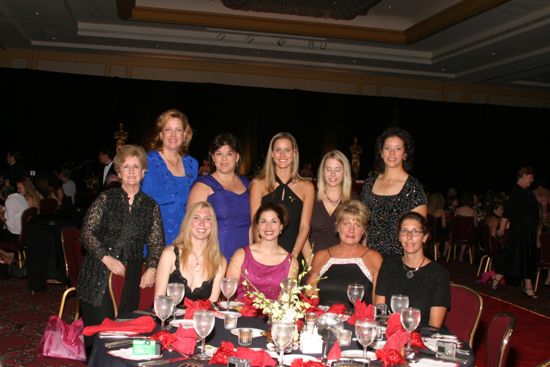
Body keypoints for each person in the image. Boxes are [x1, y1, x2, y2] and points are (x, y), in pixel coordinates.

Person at [77, 145, 165, 348]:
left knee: (126, 334)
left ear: (144, 172)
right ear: (119, 172)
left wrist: (152, 268)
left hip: (131, 274)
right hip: (98, 271)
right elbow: (86, 234)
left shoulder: (151, 206)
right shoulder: (106, 199)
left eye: (136, 167)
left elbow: (156, 242)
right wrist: (107, 259)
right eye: (126, 167)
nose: (132, 171)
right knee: (101, 336)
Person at [375, 212, 450, 329]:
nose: (409, 237)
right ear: (399, 236)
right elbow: (380, 314)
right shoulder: (388, 265)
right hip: (390, 333)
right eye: (404, 231)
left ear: (425, 237)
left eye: (415, 232)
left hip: (422, 337)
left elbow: (434, 327)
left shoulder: (439, 274)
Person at [360, 127, 427, 257]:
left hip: (400, 259)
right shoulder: (369, 183)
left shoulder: (413, 187)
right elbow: (362, 222)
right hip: (370, 256)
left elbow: (418, 233)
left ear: (405, 154)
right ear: (381, 152)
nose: (392, 153)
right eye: (387, 148)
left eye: (398, 148)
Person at [250, 132, 314, 259]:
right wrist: (263, 256)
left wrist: (293, 258)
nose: (282, 155)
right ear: (272, 154)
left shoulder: (307, 187)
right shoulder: (259, 184)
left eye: (287, 150)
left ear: (294, 153)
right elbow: (255, 223)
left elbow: (304, 227)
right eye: (278, 150)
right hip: (265, 255)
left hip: (294, 254)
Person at [187, 133, 250, 260]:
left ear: (237, 157)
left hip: (244, 258)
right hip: (213, 257)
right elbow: (190, 226)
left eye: (229, 154)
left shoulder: (247, 184)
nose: (224, 158)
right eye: (219, 153)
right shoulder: (203, 185)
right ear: (213, 158)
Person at [306, 200, 382, 306]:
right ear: (338, 227)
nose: (351, 230)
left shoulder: (374, 258)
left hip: (358, 321)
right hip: (323, 320)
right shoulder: (321, 256)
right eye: (346, 224)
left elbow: (379, 305)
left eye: (357, 225)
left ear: (363, 230)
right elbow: (309, 300)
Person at [142, 108, 198, 245]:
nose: (173, 135)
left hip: (186, 240)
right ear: (161, 134)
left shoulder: (193, 164)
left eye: (178, 130)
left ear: (185, 134)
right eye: (168, 130)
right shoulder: (147, 161)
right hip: (154, 241)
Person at [155, 201, 226, 302]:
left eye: (207, 219)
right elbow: (159, 300)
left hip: (200, 317)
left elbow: (211, 305)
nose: (202, 223)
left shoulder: (219, 261)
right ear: (188, 222)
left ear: (213, 225)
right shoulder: (170, 254)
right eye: (196, 218)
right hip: (167, 316)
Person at [227, 202, 298, 301]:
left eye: (273, 221)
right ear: (257, 226)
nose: (268, 226)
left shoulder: (291, 263)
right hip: (241, 313)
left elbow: (285, 301)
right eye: (263, 221)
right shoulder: (241, 255)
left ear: (281, 226)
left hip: (273, 315)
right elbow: (228, 294)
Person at [491, 166, 540, 299]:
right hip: (519, 231)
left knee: (522, 257)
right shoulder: (515, 192)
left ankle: (498, 278)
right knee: (517, 256)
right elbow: (508, 212)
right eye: (531, 177)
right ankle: (528, 287)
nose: (532, 180)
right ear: (523, 176)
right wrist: (501, 228)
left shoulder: (528, 192)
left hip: (529, 232)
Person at [303, 150, 359, 259]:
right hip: (314, 260)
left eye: (337, 170)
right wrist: (312, 265)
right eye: (328, 169)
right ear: (322, 172)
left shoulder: (354, 200)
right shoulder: (311, 197)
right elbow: (303, 235)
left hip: (344, 261)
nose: (333, 174)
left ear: (345, 172)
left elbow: (359, 235)